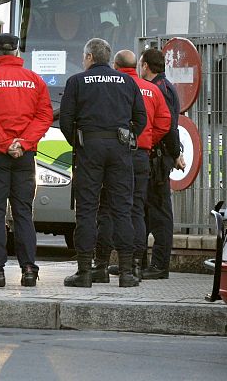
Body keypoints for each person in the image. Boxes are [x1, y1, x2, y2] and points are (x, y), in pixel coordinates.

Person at [59, 38, 147, 288]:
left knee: (87, 209)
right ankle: (127, 273)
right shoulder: (127, 81)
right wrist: (127, 138)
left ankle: (85, 271)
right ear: (107, 58)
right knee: (122, 209)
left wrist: (79, 143)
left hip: (90, 149)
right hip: (120, 149)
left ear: (89, 57)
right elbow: (141, 118)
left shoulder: (77, 81)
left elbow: (66, 120)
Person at [92, 50, 171, 282]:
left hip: (116, 152)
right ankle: (135, 265)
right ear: (137, 65)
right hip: (141, 155)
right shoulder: (152, 89)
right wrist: (146, 139)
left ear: (115, 65)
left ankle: (102, 263)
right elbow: (165, 122)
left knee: (107, 208)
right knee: (136, 208)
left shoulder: (115, 85)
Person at [0, 33, 53, 287]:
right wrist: (23, 143)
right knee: (23, 213)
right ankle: (29, 270)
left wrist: (4, 143)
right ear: (16, 53)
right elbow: (44, 116)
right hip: (25, 156)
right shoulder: (35, 80)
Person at [139, 48, 186, 280]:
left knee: (160, 214)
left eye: (141, 63)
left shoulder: (160, 89)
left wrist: (175, 153)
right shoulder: (162, 86)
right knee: (146, 212)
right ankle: (139, 262)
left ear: (146, 65)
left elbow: (168, 125)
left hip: (158, 158)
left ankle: (159, 265)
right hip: (156, 156)